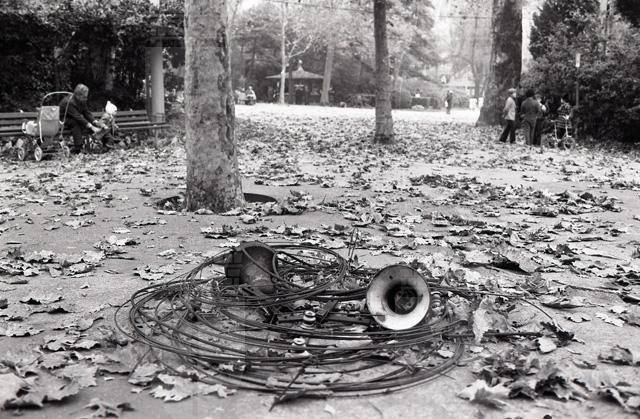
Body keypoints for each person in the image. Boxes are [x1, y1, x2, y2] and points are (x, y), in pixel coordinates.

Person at [59, 84, 105, 154]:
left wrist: (95, 122)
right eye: (84, 97)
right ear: (78, 95)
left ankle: (104, 143)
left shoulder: (81, 100)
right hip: (64, 119)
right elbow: (77, 116)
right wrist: (92, 127)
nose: (86, 99)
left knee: (84, 122)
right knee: (76, 123)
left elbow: (86, 112)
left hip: (74, 117)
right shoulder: (69, 102)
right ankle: (78, 149)